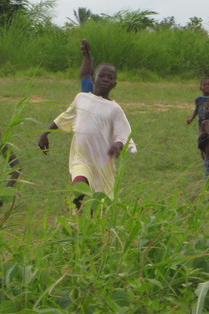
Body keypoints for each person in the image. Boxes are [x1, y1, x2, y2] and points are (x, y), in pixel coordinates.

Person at [38, 63, 137, 210]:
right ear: (93, 78)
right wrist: (45, 133)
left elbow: (123, 133)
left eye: (110, 78)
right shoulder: (81, 98)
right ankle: (74, 218)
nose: (105, 79)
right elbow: (66, 116)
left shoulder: (115, 109)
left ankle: (91, 223)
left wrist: (118, 144)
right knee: (79, 187)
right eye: (101, 76)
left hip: (103, 162)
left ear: (115, 84)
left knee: (98, 203)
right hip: (81, 157)